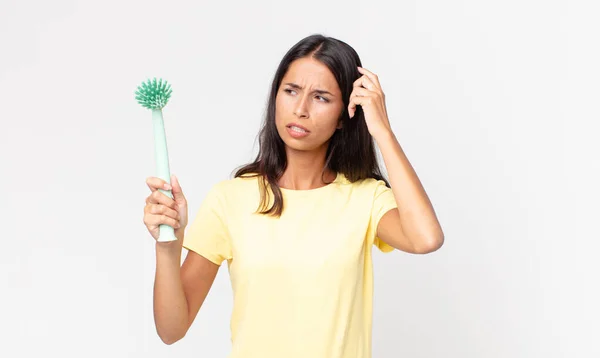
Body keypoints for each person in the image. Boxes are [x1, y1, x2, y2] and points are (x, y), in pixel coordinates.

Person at [143, 33, 444, 358]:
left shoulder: (365, 198)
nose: (300, 109)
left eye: (321, 98)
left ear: (345, 114)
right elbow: (172, 330)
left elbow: (425, 238)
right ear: (276, 97)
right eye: (291, 91)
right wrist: (168, 249)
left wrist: (382, 130)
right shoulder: (230, 199)